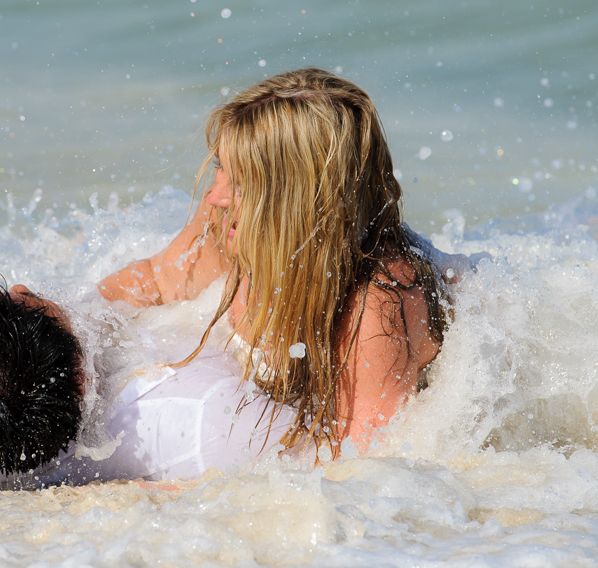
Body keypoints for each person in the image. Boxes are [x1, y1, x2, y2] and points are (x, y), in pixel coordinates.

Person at [96, 67, 458, 453]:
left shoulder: (374, 309)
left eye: (241, 183)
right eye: (220, 168)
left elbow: (364, 467)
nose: (215, 196)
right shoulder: (228, 223)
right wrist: (74, 322)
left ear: (301, 205)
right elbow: (154, 280)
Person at [0, 278, 299, 485]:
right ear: (81, 381)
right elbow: (345, 453)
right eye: (26, 303)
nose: (20, 288)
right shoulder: (203, 415)